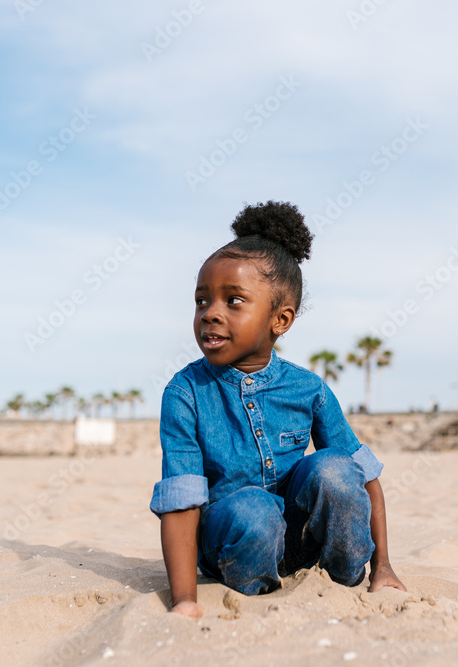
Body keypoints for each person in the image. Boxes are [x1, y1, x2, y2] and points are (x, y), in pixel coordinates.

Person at [150, 201, 406, 619]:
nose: (210, 314)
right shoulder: (185, 392)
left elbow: (365, 476)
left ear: (280, 320)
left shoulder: (308, 388)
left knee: (335, 469)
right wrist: (185, 601)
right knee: (254, 508)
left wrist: (384, 567)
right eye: (201, 301)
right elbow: (181, 500)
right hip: (233, 544)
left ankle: (343, 577)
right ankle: (257, 584)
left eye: (233, 301)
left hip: (303, 544)